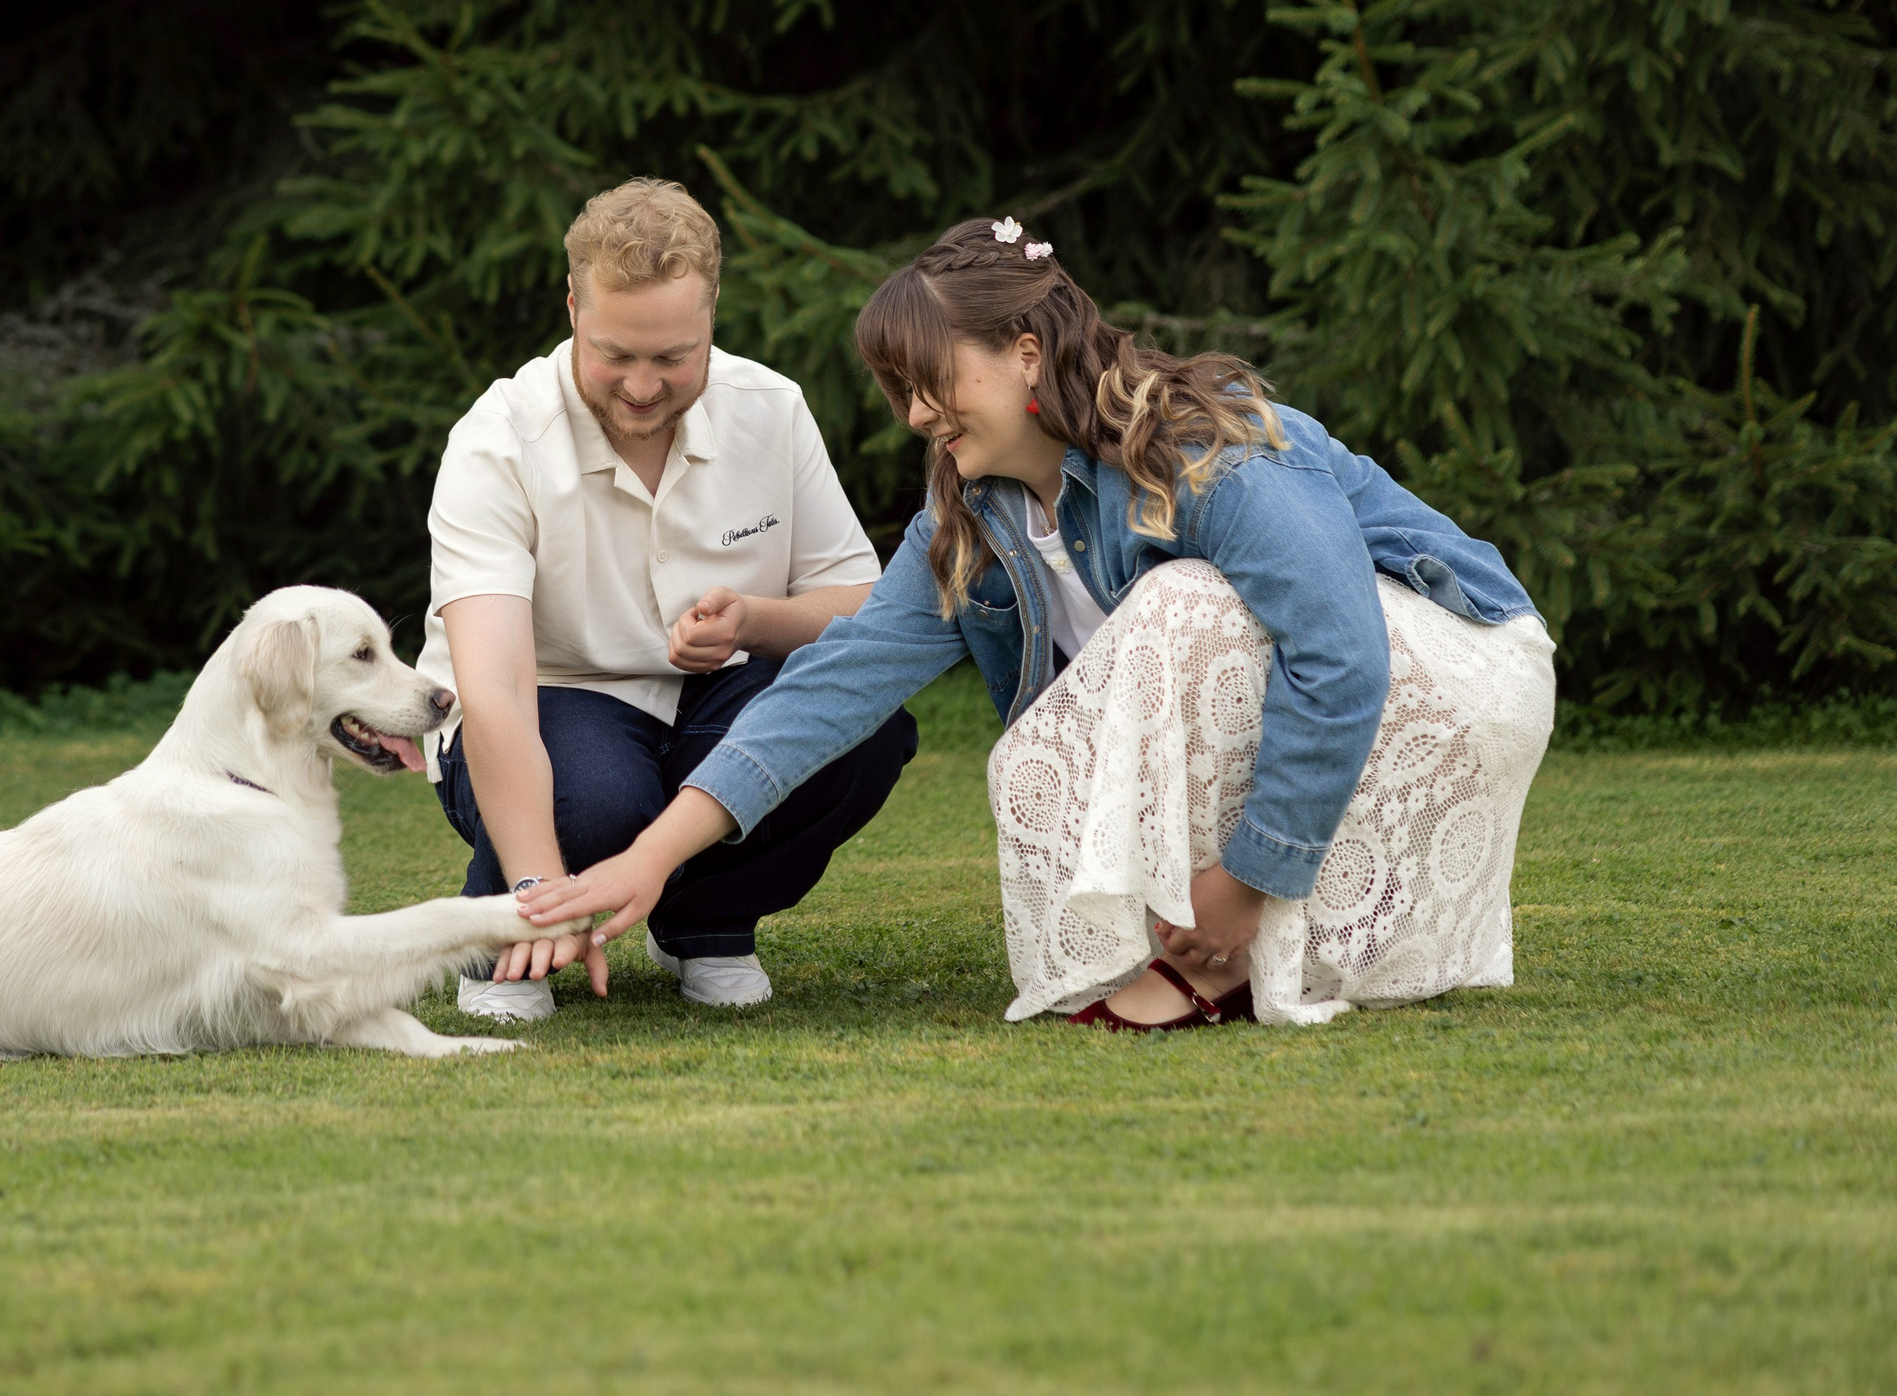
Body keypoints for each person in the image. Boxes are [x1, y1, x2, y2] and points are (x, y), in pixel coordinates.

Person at [520, 216, 1557, 1029]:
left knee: (1181, 604)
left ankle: (1237, 942)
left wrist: (1252, 874)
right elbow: (830, 688)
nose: (915, 414)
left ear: (1024, 353)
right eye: (899, 391)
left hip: (1454, 668)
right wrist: (651, 858)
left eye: (932, 382)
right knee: (1043, 746)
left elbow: (1336, 653)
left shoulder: (1204, 447)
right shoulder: (968, 519)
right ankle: (1240, 945)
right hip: (1333, 685)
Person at [417, 177, 918, 1021]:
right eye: (616, 354)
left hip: (721, 697)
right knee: (603, 803)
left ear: (712, 314)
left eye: (672, 358)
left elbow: (862, 608)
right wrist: (534, 890)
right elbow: (494, 690)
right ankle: (498, 931)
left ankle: (705, 923)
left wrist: (758, 620)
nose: (643, 386)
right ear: (573, 308)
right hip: (550, 700)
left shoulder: (772, 409)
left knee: (865, 724)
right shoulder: (496, 441)